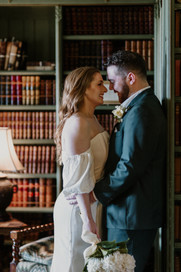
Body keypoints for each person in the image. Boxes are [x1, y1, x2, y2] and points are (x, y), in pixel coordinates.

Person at [92, 50, 167, 272]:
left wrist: (97, 192)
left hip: (131, 217)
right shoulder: (139, 107)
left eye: (114, 81)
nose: (111, 88)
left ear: (131, 78)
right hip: (126, 214)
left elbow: (130, 166)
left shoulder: (142, 111)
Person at [51, 66, 109, 272]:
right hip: (78, 208)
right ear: (84, 89)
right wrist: (88, 220)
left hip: (92, 204)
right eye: (99, 84)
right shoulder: (77, 123)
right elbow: (78, 180)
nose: (105, 88)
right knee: (72, 264)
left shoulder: (91, 118)